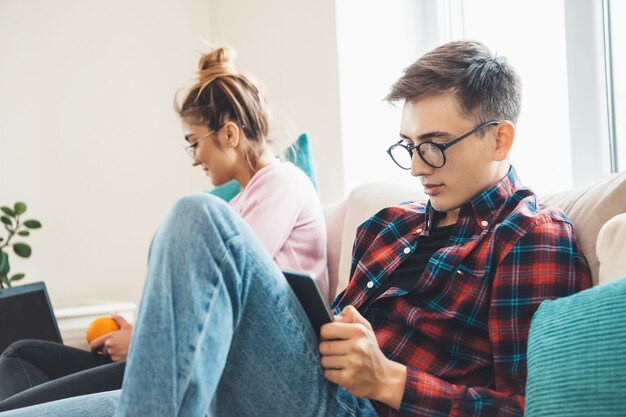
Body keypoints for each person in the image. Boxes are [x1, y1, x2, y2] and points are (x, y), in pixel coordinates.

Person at [0, 40, 592, 417]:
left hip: (357, 408)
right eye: (408, 147)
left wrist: (389, 381)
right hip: (282, 381)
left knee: (198, 214)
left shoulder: (530, 238)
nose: (415, 168)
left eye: (434, 147)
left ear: (500, 137)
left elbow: (525, 409)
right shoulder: (388, 226)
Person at [0, 46, 328, 412]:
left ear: (230, 134)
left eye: (195, 143)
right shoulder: (238, 204)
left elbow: (223, 287)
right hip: (228, 357)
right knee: (21, 356)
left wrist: (141, 340)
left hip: (273, 358)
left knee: (191, 212)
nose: (195, 160)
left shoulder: (282, 182)